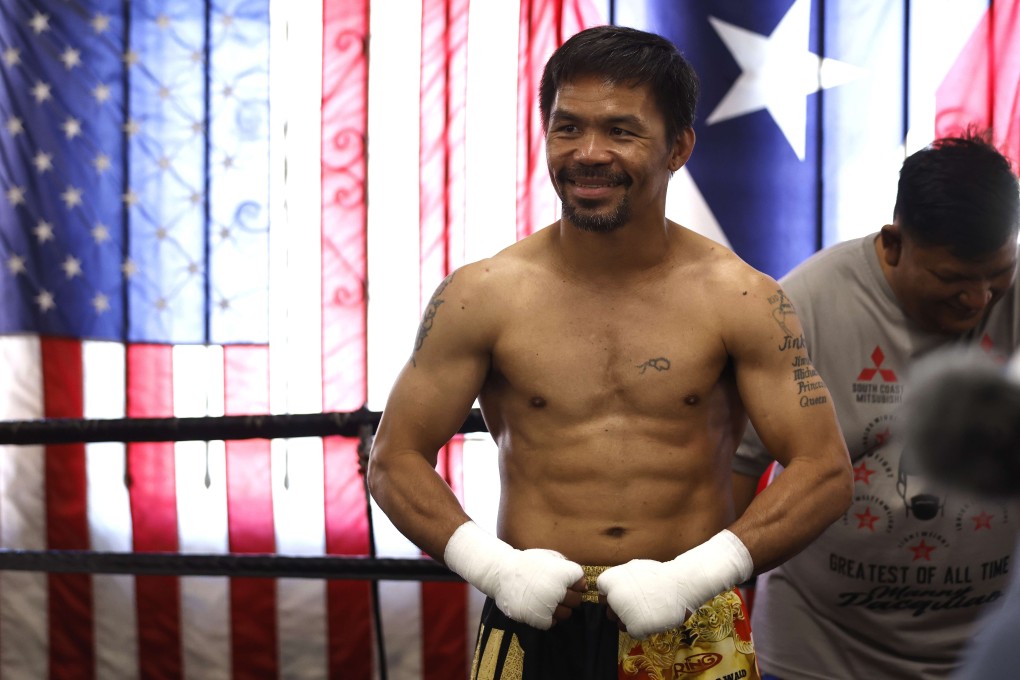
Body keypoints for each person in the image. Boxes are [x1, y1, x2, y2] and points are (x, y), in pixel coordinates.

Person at [368, 25, 853, 679]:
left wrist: (696, 575)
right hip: (534, 610)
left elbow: (823, 470)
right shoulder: (480, 295)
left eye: (621, 131)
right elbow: (394, 458)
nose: (588, 153)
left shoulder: (740, 298)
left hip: (690, 615)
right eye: (567, 128)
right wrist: (495, 568)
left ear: (679, 146)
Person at [732, 132, 1020, 680]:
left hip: (992, 648)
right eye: (953, 278)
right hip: (819, 649)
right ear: (893, 243)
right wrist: (723, 602)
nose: (979, 299)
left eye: (997, 275)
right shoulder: (805, 304)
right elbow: (738, 466)